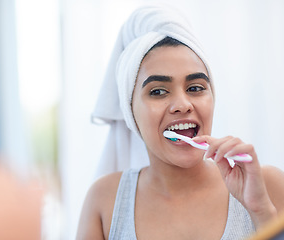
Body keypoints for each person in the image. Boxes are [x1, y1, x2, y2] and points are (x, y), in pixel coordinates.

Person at [76, 5, 284, 240]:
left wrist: (262, 213)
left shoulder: (269, 186)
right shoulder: (104, 201)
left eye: (195, 88)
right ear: (131, 112)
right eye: (158, 92)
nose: (182, 104)